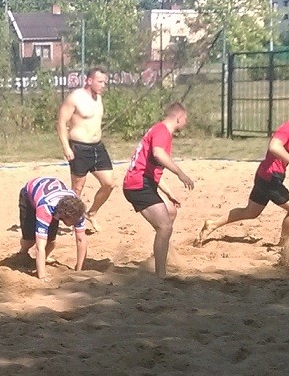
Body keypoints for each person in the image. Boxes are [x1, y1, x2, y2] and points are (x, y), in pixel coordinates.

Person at [196, 101, 289, 248]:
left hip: (266, 175)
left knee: (251, 212)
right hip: (270, 176)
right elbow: (274, 147)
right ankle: (283, 245)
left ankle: (212, 224)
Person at [123, 102, 195, 278]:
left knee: (170, 211)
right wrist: (180, 173)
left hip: (144, 182)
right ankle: (160, 275)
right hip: (138, 185)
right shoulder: (162, 131)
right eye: (185, 119)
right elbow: (158, 154)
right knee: (164, 227)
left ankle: (161, 254)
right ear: (179, 117)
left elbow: (152, 168)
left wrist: (169, 193)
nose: (186, 122)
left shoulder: (158, 130)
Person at [57, 66, 115, 232]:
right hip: (79, 147)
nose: (103, 85)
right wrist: (66, 147)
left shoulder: (98, 98)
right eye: (100, 82)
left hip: (97, 147)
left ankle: (92, 212)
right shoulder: (75, 98)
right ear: (89, 81)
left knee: (109, 184)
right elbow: (61, 123)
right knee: (77, 189)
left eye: (104, 82)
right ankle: (72, 219)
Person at [18, 176, 88, 281]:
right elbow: (40, 246)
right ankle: (22, 253)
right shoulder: (46, 209)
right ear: (64, 216)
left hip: (53, 197)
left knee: (51, 241)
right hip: (29, 195)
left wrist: (79, 270)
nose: (75, 223)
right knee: (30, 240)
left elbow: (81, 240)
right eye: (73, 221)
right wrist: (42, 276)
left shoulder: (78, 211)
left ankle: (42, 260)